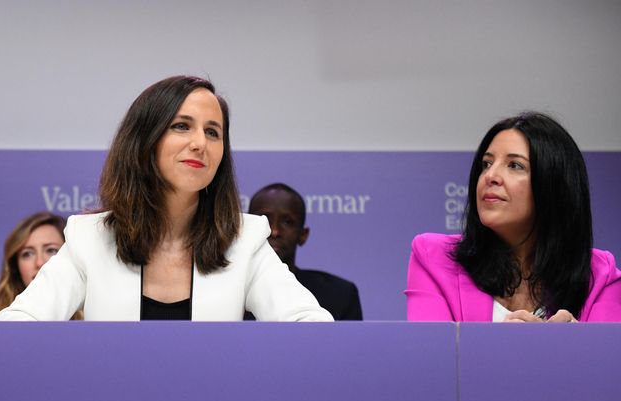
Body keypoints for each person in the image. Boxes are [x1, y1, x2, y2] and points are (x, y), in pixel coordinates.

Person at [0, 75, 332, 321]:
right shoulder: (90, 238)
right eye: (182, 126)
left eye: (212, 132)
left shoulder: (244, 240)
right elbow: (17, 324)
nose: (200, 143)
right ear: (145, 141)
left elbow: (311, 325)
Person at [406, 111, 621, 322]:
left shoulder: (601, 276)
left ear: (554, 185)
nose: (490, 176)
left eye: (515, 165)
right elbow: (430, 346)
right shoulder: (432, 257)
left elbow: (606, 347)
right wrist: (507, 342)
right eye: (486, 164)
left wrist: (578, 340)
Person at [245, 183, 363, 320]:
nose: (275, 231)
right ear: (246, 229)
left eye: (287, 222)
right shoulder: (228, 290)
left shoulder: (339, 294)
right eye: (265, 221)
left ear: (303, 234)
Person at [0, 212, 72, 320]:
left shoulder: (87, 316)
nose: (39, 262)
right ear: (15, 267)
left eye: (51, 250)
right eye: (28, 254)